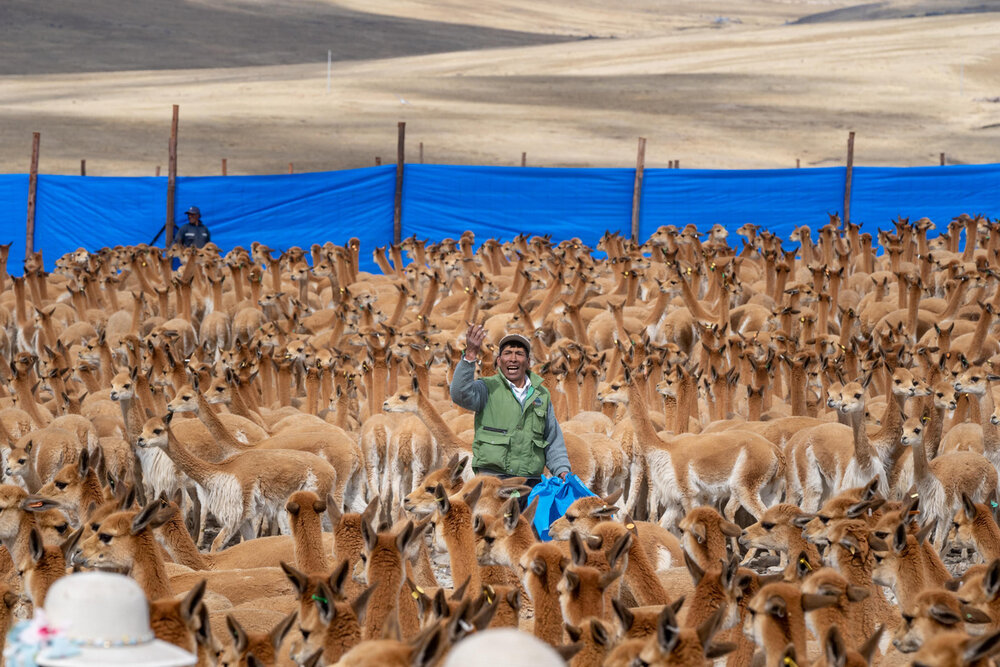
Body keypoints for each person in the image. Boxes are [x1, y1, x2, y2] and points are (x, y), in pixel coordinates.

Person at [450, 324, 571, 496]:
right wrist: (470, 355)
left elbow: (552, 438)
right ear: (499, 361)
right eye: (507, 353)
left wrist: (562, 470)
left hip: (530, 483)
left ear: (528, 362)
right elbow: (459, 394)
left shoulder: (541, 394)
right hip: (493, 481)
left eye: (519, 354)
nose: (513, 359)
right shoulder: (487, 388)